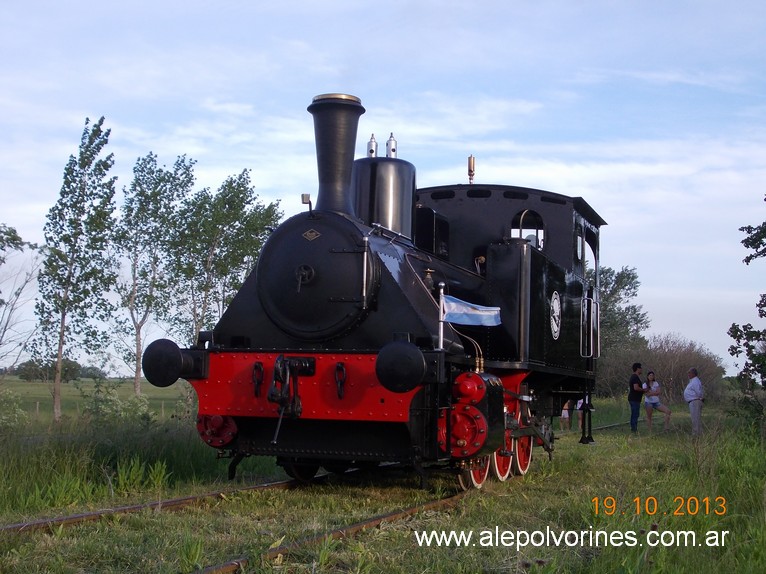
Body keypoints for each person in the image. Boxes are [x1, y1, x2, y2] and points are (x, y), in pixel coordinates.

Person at [683, 367, 704, 436]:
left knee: (695, 419)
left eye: (689, 373)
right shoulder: (692, 381)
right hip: (692, 402)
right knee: (695, 418)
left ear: (693, 373)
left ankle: (696, 434)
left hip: (695, 401)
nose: (688, 374)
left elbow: (698, 392)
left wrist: (700, 398)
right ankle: (697, 433)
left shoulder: (695, 381)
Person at [628, 362, 646, 433]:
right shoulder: (635, 377)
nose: (642, 370)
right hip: (634, 399)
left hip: (635, 399)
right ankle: (634, 429)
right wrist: (643, 390)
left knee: (635, 413)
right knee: (635, 414)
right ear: (638, 369)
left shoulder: (635, 377)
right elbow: (636, 388)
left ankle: (634, 428)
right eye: (641, 368)